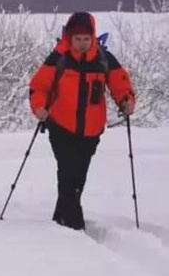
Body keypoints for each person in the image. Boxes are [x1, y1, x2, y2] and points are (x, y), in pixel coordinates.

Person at [29, 12, 135, 230]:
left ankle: (60, 220)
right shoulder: (59, 59)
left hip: (91, 130)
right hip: (60, 126)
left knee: (78, 176)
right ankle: (75, 226)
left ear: (93, 37)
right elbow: (39, 86)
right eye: (78, 39)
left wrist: (126, 100)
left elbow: (120, 84)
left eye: (86, 38)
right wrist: (39, 107)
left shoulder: (105, 59)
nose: (82, 43)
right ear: (69, 37)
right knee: (68, 173)